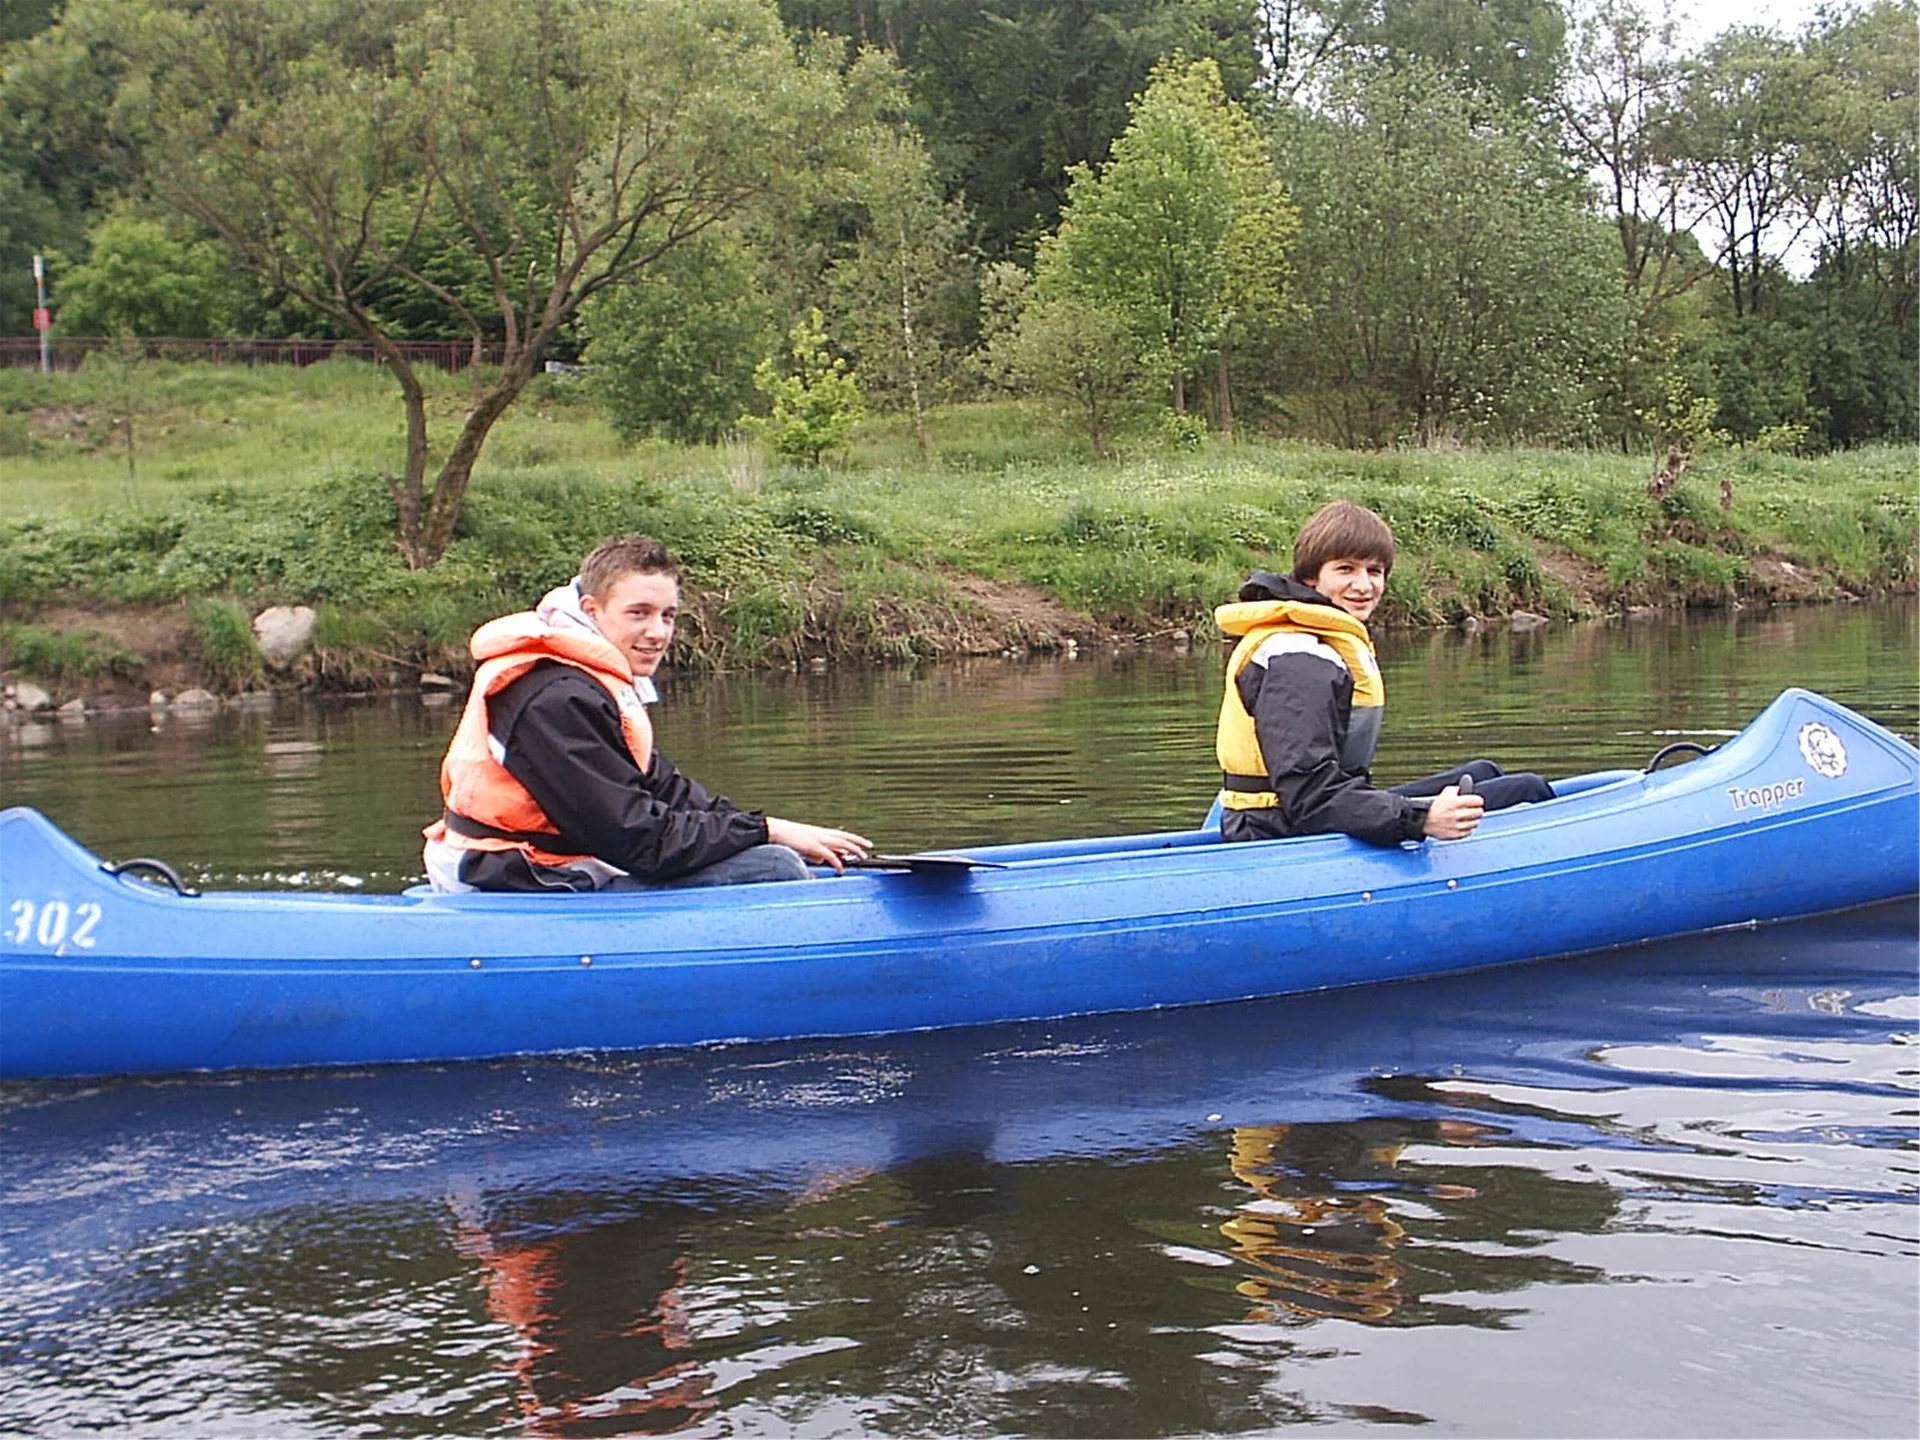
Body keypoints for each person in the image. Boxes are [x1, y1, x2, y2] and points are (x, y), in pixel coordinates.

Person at [423, 534, 870, 893]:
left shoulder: (591, 682)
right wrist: (764, 834)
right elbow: (642, 843)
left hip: (540, 861)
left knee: (775, 851)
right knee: (772, 868)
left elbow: (668, 793)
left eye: (668, 616)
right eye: (639, 613)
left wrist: (780, 828)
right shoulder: (556, 697)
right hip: (509, 876)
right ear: (591, 611)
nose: (657, 633)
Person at [1215, 500, 1553, 847]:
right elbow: (1308, 793)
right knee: (1528, 790)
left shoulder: (1319, 641)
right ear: (1310, 577)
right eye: (1346, 569)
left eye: (1374, 571)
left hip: (1292, 815)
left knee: (1485, 772)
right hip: (1277, 831)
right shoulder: (1298, 656)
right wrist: (1420, 819)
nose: (1363, 586)